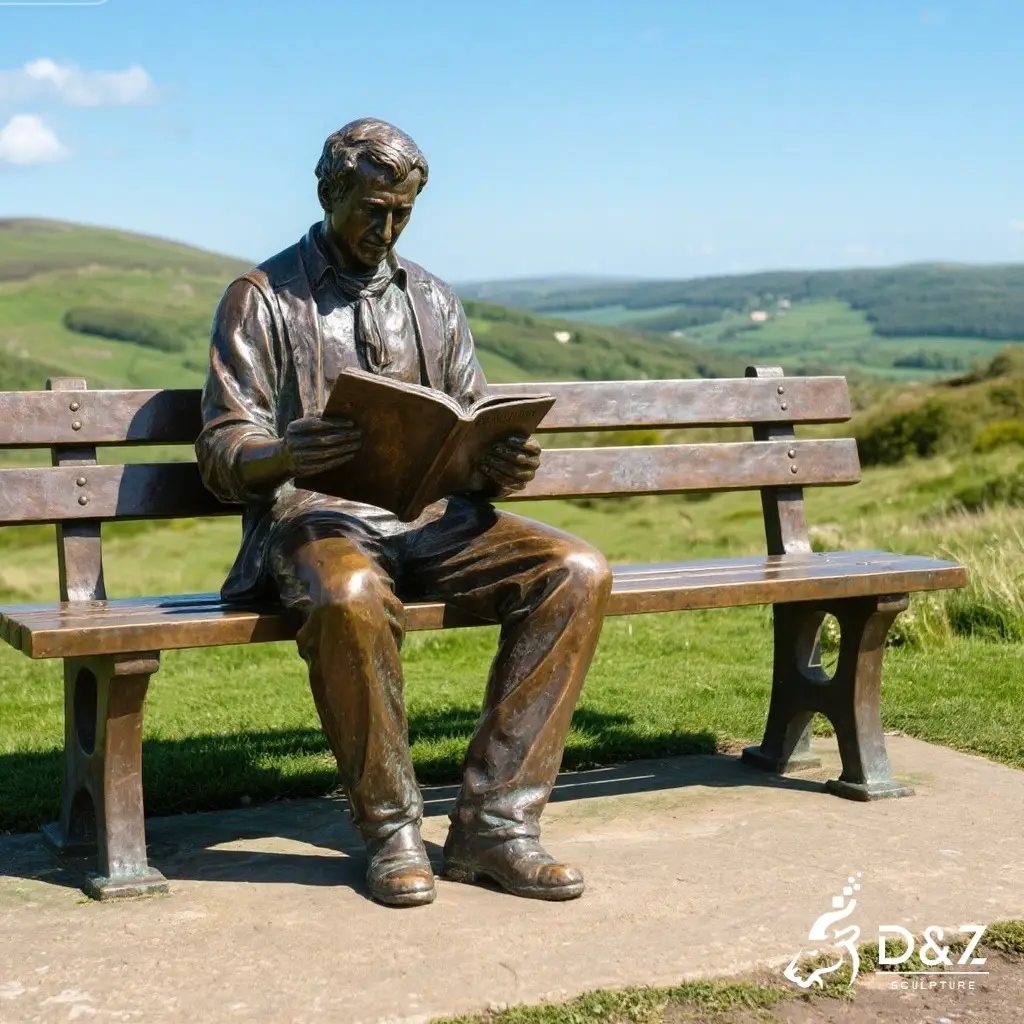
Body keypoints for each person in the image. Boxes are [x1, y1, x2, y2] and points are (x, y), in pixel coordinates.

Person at [196, 118, 612, 908]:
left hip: (430, 517)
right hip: (314, 523)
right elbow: (222, 447)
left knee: (576, 571)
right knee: (348, 595)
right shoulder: (262, 299)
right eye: (372, 209)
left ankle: (497, 829)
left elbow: (464, 417)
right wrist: (285, 454)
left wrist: (497, 464)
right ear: (330, 192)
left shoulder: (430, 299)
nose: (385, 230)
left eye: (402, 214)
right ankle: (390, 831)